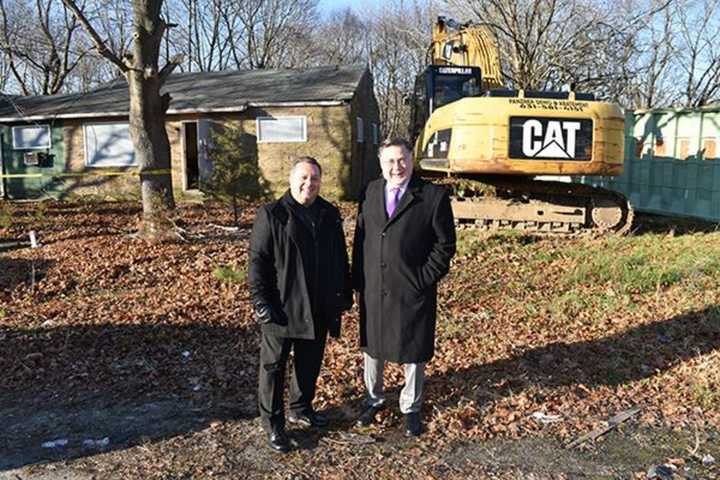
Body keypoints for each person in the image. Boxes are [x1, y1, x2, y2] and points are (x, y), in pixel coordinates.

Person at [352, 138, 456, 437]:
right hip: (374, 286)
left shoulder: (432, 196)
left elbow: (445, 245)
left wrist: (423, 278)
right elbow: (362, 238)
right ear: (380, 163)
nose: (396, 167)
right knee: (372, 347)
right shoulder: (370, 192)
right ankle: (373, 399)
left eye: (402, 160)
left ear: (412, 159)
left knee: (412, 348)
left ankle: (410, 406)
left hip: (412, 287)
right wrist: (357, 278)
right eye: (390, 161)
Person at [248, 156, 352, 453]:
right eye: (303, 178)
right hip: (281, 307)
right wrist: (261, 301)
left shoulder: (329, 214)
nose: (309, 184)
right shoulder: (272, 215)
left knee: (309, 363)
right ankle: (273, 424)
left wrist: (343, 291)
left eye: (315, 179)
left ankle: (301, 407)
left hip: (318, 306)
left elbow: (339, 257)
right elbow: (258, 262)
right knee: (273, 368)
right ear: (291, 180)